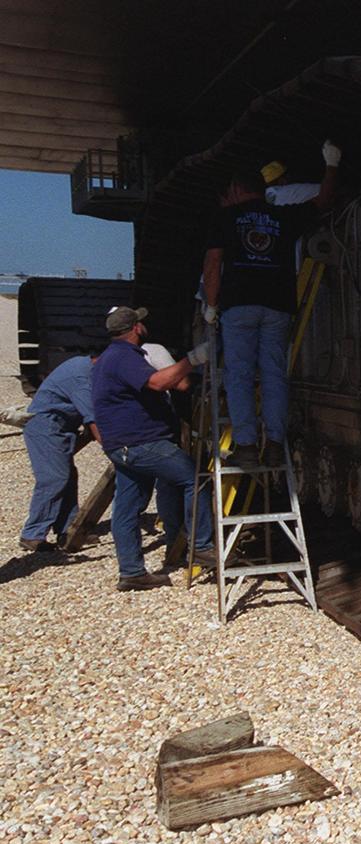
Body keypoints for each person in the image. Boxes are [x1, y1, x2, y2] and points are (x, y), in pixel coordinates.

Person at [201, 140, 340, 470]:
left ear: (237, 189)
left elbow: (213, 264)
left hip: (239, 305)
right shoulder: (283, 216)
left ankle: (247, 446)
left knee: (239, 375)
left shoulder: (226, 217)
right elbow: (323, 200)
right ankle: (275, 444)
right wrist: (332, 165)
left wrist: (211, 305)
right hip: (278, 306)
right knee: (275, 375)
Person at [91, 306, 216, 591]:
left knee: (127, 506)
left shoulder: (108, 358)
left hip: (121, 445)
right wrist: (193, 359)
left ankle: (132, 572)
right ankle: (201, 546)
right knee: (195, 478)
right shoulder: (124, 356)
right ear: (136, 328)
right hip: (140, 443)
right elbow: (159, 382)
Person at [19, 355, 100, 551]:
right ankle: (33, 533)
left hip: (59, 428)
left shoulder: (84, 368)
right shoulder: (81, 377)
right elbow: (92, 417)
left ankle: (68, 529)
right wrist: (111, 446)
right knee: (54, 478)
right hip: (46, 427)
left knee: (68, 476)